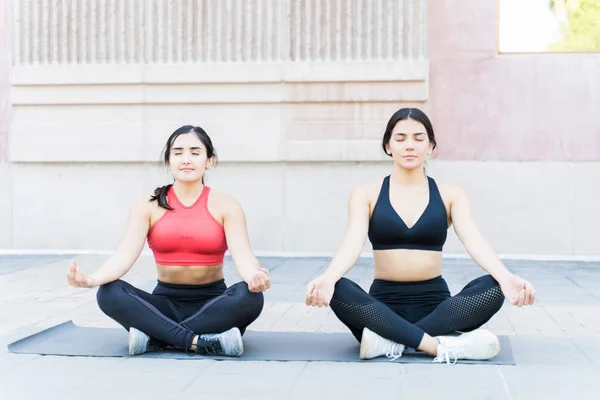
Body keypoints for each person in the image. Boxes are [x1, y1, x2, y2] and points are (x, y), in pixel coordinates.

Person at [305, 108, 535, 364]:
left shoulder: (451, 193)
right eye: (400, 139)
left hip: (438, 308)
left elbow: (474, 240)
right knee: (337, 286)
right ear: (388, 146)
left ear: (431, 146)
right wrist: (328, 277)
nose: (409, 146)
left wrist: (506, 278)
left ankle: (392, 341)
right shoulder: (365, 194)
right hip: (382, 308)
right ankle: (437, 346)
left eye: (418, 138)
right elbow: (352, 243)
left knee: (494, 286)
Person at [67, 125, 269, 357]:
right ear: (168, 162)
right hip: (163, 305)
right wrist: (92, 280)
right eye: (178, 152)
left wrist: (255, 278)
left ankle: (158, 338)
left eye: (195, 152)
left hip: (213, 305)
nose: (186, 159)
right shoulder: (148, 205)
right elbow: (124, 255)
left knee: (251, 297)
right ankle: (201, 341)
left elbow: (243, 255)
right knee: (108, 292)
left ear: (209, 161)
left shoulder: (226, 205)